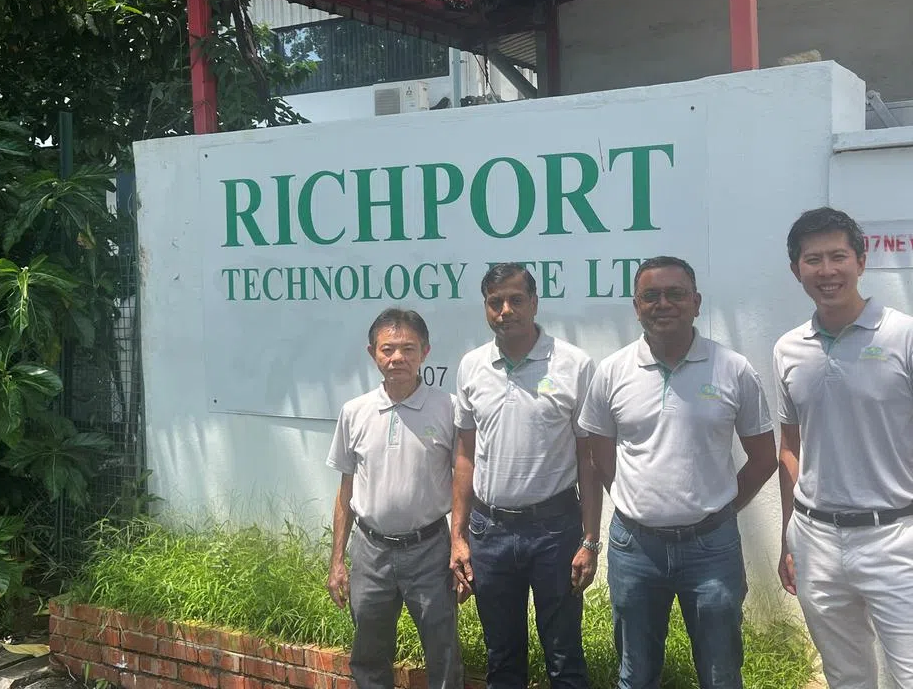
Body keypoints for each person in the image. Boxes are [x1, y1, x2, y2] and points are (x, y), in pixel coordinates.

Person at [774, 207, 913, 689]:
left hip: (892, 537)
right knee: (845, 677)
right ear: (796, 269)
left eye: (839, 256)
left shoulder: (908, 337)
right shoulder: (788, 348)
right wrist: (788, 537)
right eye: (813, 259)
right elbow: (789, 446)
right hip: (814, 540)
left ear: (861, 262)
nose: (827, 271)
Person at [578, 255, 777, 689]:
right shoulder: (612, 372)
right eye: (651, 295)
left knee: (721, 673)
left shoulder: (733, 369)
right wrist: (637, 499)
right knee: (635, 673)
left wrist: (720, 508)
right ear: (636, 305)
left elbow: (764, 459)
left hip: (712, 548)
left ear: (697, 302)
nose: (663, 303)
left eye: (675, 294)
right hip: (635, 548)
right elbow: (600, 457)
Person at [450, 263, 600, 689]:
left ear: (534, 303)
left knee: (564, 654)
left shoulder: (573, 364)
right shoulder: (471, 366)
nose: (505, 310)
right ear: (485, 308)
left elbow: (588, 460)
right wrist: (458, 535)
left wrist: (590, 538)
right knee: (502, 655)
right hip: (489, 531)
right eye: (495, 302)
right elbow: (464, 456)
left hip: (554, 530)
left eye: (516, 299)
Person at [326, 308, 463, 689]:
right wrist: (337, 561)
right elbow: (345, 491)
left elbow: (463, 483)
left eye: (408, 348)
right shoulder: (354, 412)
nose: (397, 358)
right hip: (370, 552)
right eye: (388, 349)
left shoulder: (448, 408)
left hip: (430, 550)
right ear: (373, 353)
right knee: (368, 654)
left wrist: (460, 544)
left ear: (426, 351)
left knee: (443, 651)